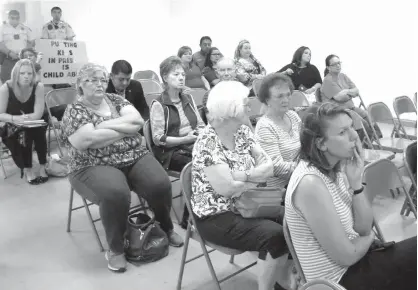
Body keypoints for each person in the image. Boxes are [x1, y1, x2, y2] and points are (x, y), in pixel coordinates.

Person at [61, 63, 183, 273]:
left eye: (101, 79)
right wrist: (123, 129)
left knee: (160, 183)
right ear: (80, 85)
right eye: (92, 80)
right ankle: (116, 249)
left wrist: (102, 126)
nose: (99, 84)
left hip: (134, 155)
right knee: (115, 193)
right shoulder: (75, 110)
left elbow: (136, 121)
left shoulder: (116, 99)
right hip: (91, 164)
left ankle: (165, 227)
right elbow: (85, 141)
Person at [284, 102, 417, 290]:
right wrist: (370, 238)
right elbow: (348, 255)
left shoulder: (336, 169)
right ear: (321, 143)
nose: (355, 136)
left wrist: (356, 184)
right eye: (342, 132)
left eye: (351, 128)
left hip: (359, 262)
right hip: (340, 280)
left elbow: (363, 227)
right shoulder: (310, 184)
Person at [192, 81, 295, 290]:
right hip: (216, 215)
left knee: (295, 219)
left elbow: (269, 168)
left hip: (249, 201)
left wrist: (240, 175)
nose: (250, 108)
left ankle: (284, 279)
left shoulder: (243, 132)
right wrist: (252, 177)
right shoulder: (207, 142)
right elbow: (226, 189)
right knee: (274, 236)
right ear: (230, 108)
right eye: (245, 104)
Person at [0, 59, 47, 184]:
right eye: (22, 73)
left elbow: (38, 114)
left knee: (39, 130)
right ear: (16, 74)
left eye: (29, 73)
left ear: (33, 74)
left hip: (33, 123)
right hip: (11, 124)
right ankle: (28, 169)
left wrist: (24, 119)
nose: (26, 76)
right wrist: (15, 119)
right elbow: (0, 114)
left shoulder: (38, 87)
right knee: (24, 134)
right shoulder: (5, 88)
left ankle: (43, 166)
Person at [255, 73, 301, 189]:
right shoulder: (265, 127)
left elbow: (307, 146)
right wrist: (308, 169)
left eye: (288, 95)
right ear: (267, 100)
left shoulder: (293, 116)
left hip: (301, 180)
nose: (285, 100)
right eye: (279, 96)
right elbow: (276, 167)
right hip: (281, 190)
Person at [320, 54, 381, 141]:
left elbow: (356, 91)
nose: (338, 65)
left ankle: (378, 142)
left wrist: (346, 92)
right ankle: (366, 146)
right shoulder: (327, 81)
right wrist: (350, 92)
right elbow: (340, 98)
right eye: (334, 64)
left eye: (339, 63)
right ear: (328, 68)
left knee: (369, 117)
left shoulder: (343, 76)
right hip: (338, 113)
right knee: (363, 124)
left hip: (351, 108)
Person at [0, 10, 34, 83]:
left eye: (17, 18)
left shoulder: (25, 28)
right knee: (7, 83)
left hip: (22, 60)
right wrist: (10, 53)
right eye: (12, 18)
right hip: (7, 60)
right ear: (8, 17)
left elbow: (32, 42)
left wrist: (25, 52)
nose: (15, 20)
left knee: (23, 82)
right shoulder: (2, 28)